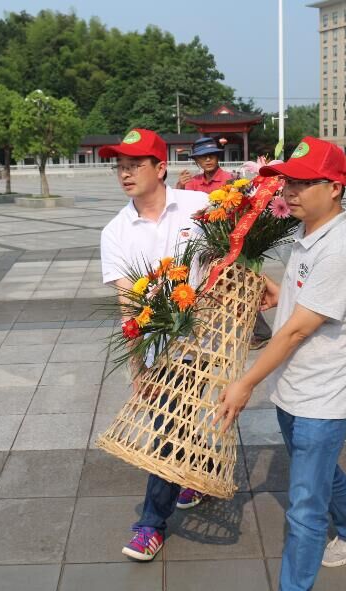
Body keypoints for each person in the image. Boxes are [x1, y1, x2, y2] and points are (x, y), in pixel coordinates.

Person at [214, 136, 346, 591]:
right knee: (320, 472)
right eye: (289, 182)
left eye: (304, 183)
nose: (290, 191)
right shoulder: (309, 234)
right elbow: (311, 303)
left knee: (305, 507)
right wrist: (280, 292)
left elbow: (296, 331)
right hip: (296, 386)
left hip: (324, 395)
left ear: (336, 187)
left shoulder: (338, 248)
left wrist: (245, 382)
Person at [98, 128, 211, 561]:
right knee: (170, 426)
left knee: (180, 420)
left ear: (160, 168)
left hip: (206, 340)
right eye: (120, 166)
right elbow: (128, 303)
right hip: (156, 346)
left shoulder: (198, 207)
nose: (125, 174)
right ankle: (167, 504)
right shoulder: (115, 231)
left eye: (135, 165)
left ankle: (167, 503)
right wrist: (136, 366)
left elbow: (230, 256)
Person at [176, 136, 273, 349]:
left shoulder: (231, 179)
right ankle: (215, 332)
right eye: (202, 157)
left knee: (239, 285)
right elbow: (182, 210)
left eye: (211, 155)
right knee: (211, 286)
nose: (208, 160)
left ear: (218, 157)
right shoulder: (191, 184)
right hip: (204, 243)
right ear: (196, 161)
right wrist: (179, 186)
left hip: (231, 241)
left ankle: (259, 331)